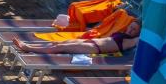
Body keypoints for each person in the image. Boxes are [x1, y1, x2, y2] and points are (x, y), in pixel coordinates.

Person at [12, 19, 141, 56]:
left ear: (139, 33)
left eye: (134, 29)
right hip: (90, 42)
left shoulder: (131, 41)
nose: (130, 29)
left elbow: (143, 36)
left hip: (95, 48)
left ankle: (27, 47)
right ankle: (31, 46)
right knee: (58, 43)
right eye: (130, 26)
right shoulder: (125, 34)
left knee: (60, 48)